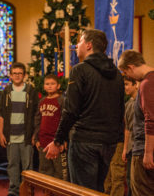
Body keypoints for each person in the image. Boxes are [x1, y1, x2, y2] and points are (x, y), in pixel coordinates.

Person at [44, 29, 124, 192]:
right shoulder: (116, 73)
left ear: (88, 45)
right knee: (98, 191)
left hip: (84, 141)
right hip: (109, 142)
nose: (76, 45)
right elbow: (119, 110)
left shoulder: (80, 70)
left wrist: (58, 140)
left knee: (82, 191)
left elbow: (71, 110)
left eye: (79, 41)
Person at [0, 62, 39, 196]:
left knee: (27, 166)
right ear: (10, 75)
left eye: (20, 73)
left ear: (24, 75)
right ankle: (13, 191)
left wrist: (34, 135)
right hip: (11, 135)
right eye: (14, 73)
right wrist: (0, 133)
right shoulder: (6, 91)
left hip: (26, 136)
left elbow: (35, 115)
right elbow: (2, 114)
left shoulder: (30, 91)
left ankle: (27, 191)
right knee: (12, 165)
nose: (17, 76)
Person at [118, 50, 154, 195]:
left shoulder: (146, 83)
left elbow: (150, 120)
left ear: (131, 67)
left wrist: (148, 152)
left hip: (144, 150)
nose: (128, 76)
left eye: (126, 73)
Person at [33, 74, 68, 180]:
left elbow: (66, 121)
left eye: (52, 84)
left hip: (57, 143)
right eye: (47, 84)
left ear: (58, 86)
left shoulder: (62, 100)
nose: (49, 86)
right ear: (44, 86)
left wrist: (64, 140)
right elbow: (37, 121)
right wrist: (36, 138)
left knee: (61, 173)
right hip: (43, 142)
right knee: (45, 172)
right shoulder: (42, 101)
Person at [121, 76, 138, 196]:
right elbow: (127, 128)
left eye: (127, 84)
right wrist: (125, 148)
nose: (125, 87)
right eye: (124, 85)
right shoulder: (128, 104)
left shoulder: (142, 102)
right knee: (129, 179)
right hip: (132, 147)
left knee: (137, 181)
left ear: (135, 84)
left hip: (140, 146)